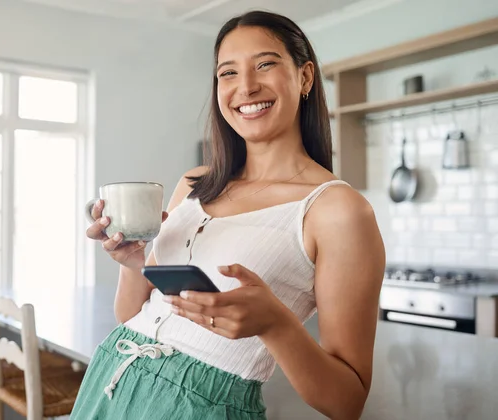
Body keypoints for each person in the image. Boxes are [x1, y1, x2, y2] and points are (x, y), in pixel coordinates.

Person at [71, 10, 385, 420]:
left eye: (266, 64)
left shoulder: (338, 210)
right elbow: (132, 316)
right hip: (111, 378)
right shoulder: (195, 182)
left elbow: (347, 402)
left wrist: (276, 325)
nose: (246, 87)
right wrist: (134, 263)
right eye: (228, 73)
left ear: (305, 77)